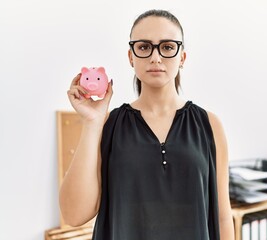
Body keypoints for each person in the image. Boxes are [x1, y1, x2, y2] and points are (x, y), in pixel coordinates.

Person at [60, 9, 234, 240]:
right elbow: (74, 215)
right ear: (131, 57)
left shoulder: (209, 124)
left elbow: (222, 216)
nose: (155, 57)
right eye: (144, 47)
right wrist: (92, 123)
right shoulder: (109, 125)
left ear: (182, 57)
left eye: (167, 47)